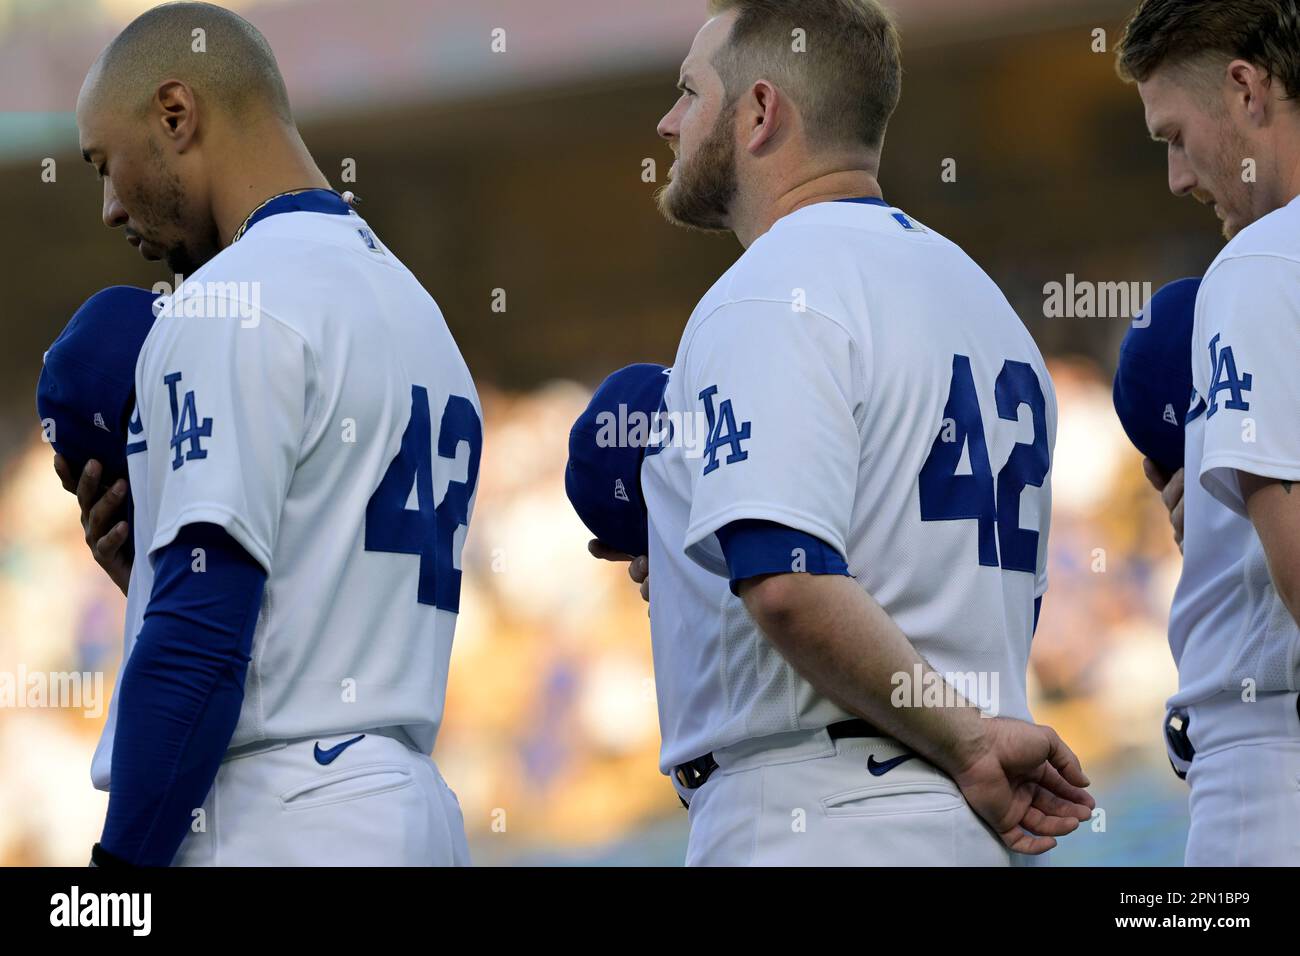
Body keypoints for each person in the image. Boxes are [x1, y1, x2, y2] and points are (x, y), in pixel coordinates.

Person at [593, 0, 1093, 865]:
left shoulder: (770, 287)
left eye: (687, 94)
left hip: (822, 811)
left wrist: (969, 746)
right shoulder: (989, 307)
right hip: (970, 815)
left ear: (759, 112)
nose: (667, 123)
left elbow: (787, 581)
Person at [58, 1, 480, 866]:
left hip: (279, 814)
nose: (108, 206)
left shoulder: (226, 300)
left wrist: (116, 879)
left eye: (106, 163)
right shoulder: (414, 302)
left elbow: (202, 638)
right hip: (403, 805)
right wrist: (146, 581)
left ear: (175, 115)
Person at [1116, 0, 1300, 865]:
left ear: (1246, 90)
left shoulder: (1260, 261)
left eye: (1174, 137)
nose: (1177, 178)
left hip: (1269, 778)